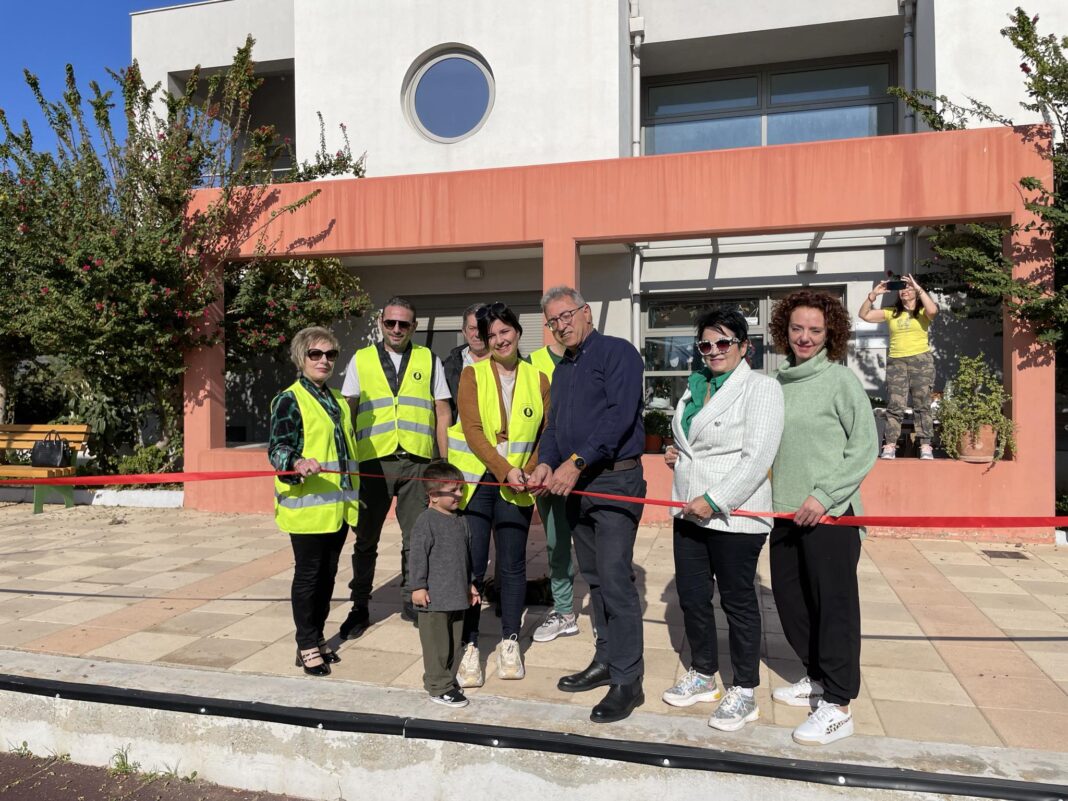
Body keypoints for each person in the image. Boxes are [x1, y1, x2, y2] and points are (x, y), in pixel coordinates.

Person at [662, 307, 784, 732]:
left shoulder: (762, 388)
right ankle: (702, 673)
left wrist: (714, 500)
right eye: (705, 345)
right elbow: (690, 441)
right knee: (693, 597)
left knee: (737, 602)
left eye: (723, 343)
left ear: (743, 346)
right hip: (687, 511)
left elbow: (757, 458)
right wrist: (673, 452)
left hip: (734, 515)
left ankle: (745, 689)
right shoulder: (695, 387)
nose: (713, 351)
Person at [530, 286, 647, 725]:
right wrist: (546, 464)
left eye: (566, 316)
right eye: (553, 321)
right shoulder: (562, 370)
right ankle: (606, 661)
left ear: (587, 311)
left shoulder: (618, 353)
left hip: (614, 478)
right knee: (595, 579)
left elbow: (619, 416)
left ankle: (628, 681)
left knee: (616, 578)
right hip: (575, 485)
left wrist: (576, 463)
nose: (561, 326)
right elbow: (556, 428)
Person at [768, 289, 877, 746]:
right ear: (784, 332)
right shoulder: (776, 383)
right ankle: (814, 676)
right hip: (784, 515)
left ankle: (838, 703)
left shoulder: (840, 381)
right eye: (797, 328)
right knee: (792, 604)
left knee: (834, 610)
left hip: (830, 516)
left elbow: (864, 448)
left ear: (830, 333)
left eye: (815, 329)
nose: (805, 337)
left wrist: (825, 495)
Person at [448, 302, 551, 687]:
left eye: (505, 332)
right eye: (491, 335)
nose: (499, 340)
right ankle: (470, 645)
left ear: (518, 333)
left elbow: (546, 432)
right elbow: (473, 431)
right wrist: (504, 470)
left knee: (512, 567)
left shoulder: (539, 378)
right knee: (473, 568)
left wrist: (531, 466)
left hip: (518, 485)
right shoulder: (471, 375)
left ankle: (510, 640)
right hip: (479, 484)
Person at [337, 297, 452, 638]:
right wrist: (346, 461)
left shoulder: (429, 359)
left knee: (414, 538)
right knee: (365, 539)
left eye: (404, 324)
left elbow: (442, 411)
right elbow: (349, 410)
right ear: (380, 323)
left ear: (414, 327)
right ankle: (359, 605)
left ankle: (411, 600)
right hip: (373, 459)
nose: (397, 329)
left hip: (417, 461)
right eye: (391, 323)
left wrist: (443, 463)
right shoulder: (362, 359)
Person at [268, 326, 360, 677]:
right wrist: (295, 462)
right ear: (301, 358)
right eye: (315, 354)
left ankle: (318, 637)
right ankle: (306, 643)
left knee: (328, 575)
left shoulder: (336, 400)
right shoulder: (289, 399)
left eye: (330, 354)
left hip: (337, 507)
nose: (324, 361)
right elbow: (277, 448)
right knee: (309, 576)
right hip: (307, 507)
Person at [409, 461, 481, 708]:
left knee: (453, 643)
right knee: (436, 645)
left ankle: (447, 680)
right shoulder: (426, 521)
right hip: (434, 600)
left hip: (457, 596)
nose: (460, 495)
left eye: (461, 489)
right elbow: (417, 556)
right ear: (433, 496)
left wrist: (470, 584)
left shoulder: (461, 520)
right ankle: (438, 687)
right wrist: (417, 586)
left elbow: (466, 557)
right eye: (454, 491)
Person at [526, 340, 580, 645]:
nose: (562, 325)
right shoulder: (533, 362)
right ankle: (564, 610)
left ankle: (608, 604)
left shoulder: (593, 358)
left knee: (597, 543)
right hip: (548, 469)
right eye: (555, 319)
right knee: (556, 543)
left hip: (587, 468)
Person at [858, 274, 939, 460]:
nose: (904, 291)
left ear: (916, 292)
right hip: (897, 361)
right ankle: (890, 445)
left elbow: (933, 310)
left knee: (922, 404)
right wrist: (873, 296)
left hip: (921, 361)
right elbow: (864, 315)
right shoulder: (891, 312)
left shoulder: (922, 312)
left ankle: (925, 445)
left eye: (908, 288)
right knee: (895, 404)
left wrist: (918, 288)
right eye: (902, 288)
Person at [442, 303, 490, 425]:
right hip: (459, 441)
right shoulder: (450, 365)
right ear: (464, 331)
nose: (477, 334)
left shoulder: (505, 363)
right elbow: (443, 411)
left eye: (482, 328)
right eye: (472, 328)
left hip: (497, 441)